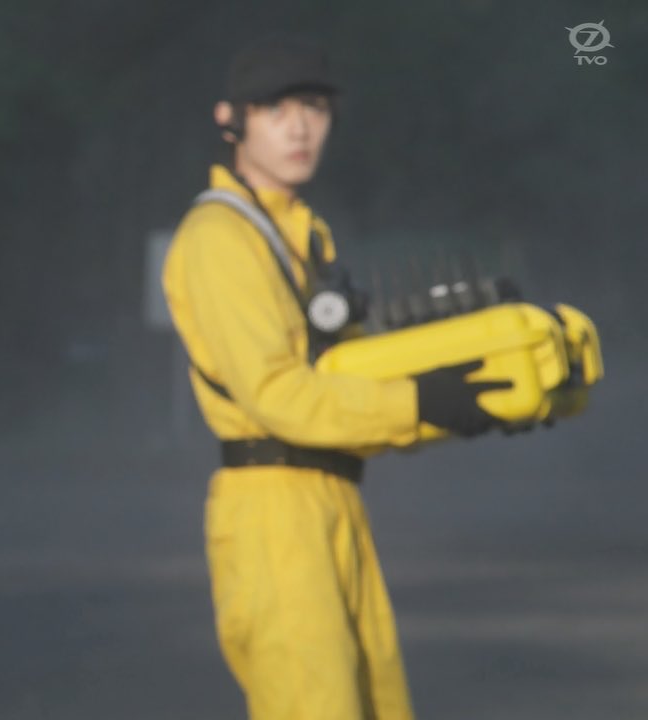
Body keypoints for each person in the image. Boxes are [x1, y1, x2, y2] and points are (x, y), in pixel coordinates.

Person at [161, 35, 510, 719]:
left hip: (334, 497)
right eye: (276, 109)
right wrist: (419, 403)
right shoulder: (219, 238)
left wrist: (467, 398)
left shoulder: (302, 235)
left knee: (378, 705)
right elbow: (278, 396)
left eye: (314, 108)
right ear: (231, 120)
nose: (299, 127)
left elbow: (346, 377)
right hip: (274, 513)